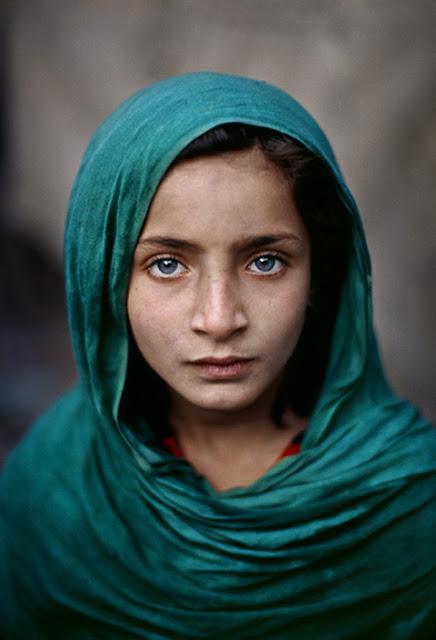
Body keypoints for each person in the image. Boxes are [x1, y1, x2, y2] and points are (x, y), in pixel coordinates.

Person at [1, 72, 435, 639]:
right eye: (166, 265)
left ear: (320, 276)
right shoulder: (50, 491)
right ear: (104, 282)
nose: (220, 318)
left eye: (264, 261)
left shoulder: (408, 502)